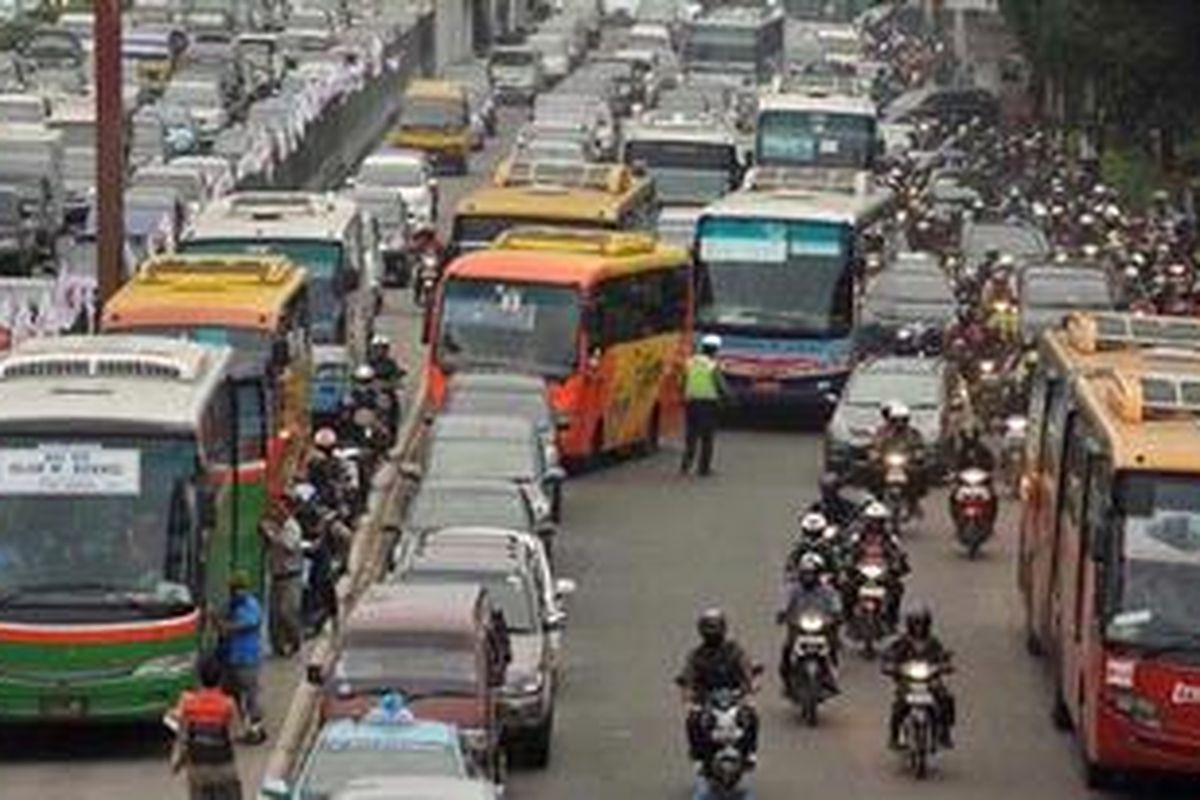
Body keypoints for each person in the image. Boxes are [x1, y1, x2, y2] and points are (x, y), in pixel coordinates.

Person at [674, 609, 759, 769]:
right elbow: (688, 676)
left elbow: (746, 667)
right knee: (693, 720)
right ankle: (698, 756)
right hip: (706, 698)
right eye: (708, 627)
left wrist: (751, 685)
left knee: (751, 716)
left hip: (733, 696)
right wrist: (687, 694)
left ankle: (750, 752)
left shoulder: (734, 650)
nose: (712, 632)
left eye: (715, 627)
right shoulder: (696, 655)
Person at [883, 606, 956, 749]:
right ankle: (894, 737)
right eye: (916, 623)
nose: (919, 628)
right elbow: (889, 656)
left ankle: (945, 733)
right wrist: (890, 666)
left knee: (946, 698)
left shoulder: (933, 642)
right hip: (908, 681)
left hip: (930, 681)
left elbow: (942, 657)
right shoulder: (902, 642)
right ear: (910, 624)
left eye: (922, 624)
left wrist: (945, 665)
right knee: (899, 707)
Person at [170, 656, 243, 800]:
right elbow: (235, 734)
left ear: (198, 678)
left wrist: (177, 761)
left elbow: (183, 737)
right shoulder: (228, 704)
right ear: (220, 678)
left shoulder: (188, 703)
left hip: (198, 769)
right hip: (224, 768)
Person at [212, 572, 266, 744]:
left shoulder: (252, 606)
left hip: (247, 659)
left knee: (250, 695)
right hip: (230, 659)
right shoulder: (229, 605)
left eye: (241, 589)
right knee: (234, 694)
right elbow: (219, 622)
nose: (238, 592)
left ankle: (256, 729)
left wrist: (223, 625)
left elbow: (243, 625)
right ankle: (247, 727)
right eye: (235, 589)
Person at [777, 554, 841, 694]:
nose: (808, 577)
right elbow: (785, 603)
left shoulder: (827, 590)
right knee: (787, 649)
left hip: (822, 627)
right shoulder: (794, 590)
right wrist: (782, 614)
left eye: (811, 574)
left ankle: (833, 676)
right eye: (806, 574)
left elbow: (835, 604)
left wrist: (836, 614)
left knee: (832, 646)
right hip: (798, 627)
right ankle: (786, 681)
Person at [844, 502, 909, 627]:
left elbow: (898, 554)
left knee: (897, 588)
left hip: (883, 573)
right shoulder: (857, 536)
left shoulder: (890, 538)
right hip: (861, 571)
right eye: (872, 521)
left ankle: (892, 619)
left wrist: (898, 565)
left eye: (878, 521)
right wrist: (848, 563)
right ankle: (847, 617)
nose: (875, 524)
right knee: (846, 587)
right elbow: (848, 552)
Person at [260, 486, 308, 657]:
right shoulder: (275, 526)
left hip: (291, 577)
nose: (278, 510)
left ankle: (295, 641)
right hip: (276, 576)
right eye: (276, 507)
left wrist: (271, 534)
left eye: (281, 507)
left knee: (287, 612)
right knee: (274, 617)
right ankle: (278, 649)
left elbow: (288, 546)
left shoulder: (292, 527)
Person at [681, 334, 729, 477]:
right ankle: (703, 468)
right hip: (708, 404)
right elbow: (720, 385)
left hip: (691, 402)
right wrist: (728, 398)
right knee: (707, 437)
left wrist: (684, 395)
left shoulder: (689, 362)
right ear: (714, 350)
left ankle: (686, 465)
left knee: (691, 435)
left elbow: (683, 381)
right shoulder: (712, 365)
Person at [784, 511, 840, 581]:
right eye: (809, 534)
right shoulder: (800, 548)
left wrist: (827, 577)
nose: (812, 539)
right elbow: (790, 568)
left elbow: (835, 570)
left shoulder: (827, 549)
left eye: (816, 534)